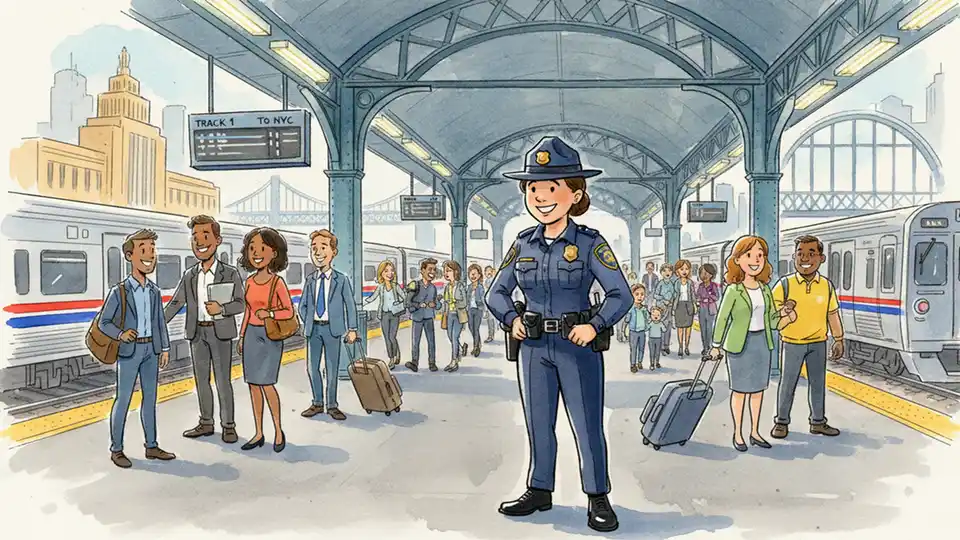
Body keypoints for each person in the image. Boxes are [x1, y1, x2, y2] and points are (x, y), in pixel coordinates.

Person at [486, 136, 630, 533]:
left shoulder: (589, 244)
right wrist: (510, 319)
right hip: (533, 346)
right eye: (533, 188)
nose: (541, 196)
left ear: (575, 193)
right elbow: (495, 291)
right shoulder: (522, 245)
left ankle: (598, 497)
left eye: (552, 187)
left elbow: (621, 294)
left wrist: (595, 325)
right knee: (538, 422)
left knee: (586, 425)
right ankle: (540, 489)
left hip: (576, 346)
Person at [708, 236, 795, 452]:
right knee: (740, 391)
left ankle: (754, 431)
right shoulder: (733, 290)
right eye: (749, 255)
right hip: (739, 345)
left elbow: (771, 321)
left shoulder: (765, 289)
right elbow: (722, 318)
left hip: (761, 344)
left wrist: (785, 317)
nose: (755, 260)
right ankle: (738, 433)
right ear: (737, 260)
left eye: (760, 256)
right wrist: (716, 344)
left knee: (757, 391)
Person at [164, 215, 245, 444]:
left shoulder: (228, 273)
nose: (199, 241)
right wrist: (156, 324)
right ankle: (206, 422)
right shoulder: (190, 275)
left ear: (217, 240)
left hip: (220, 333)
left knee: (222, 381)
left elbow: (241, 303)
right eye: (195, 237)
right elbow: (176, 303)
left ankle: (228, 425)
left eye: (205, 236)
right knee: (201, 381)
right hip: (196, 333)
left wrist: (222, 308)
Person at [100, 229, 175, 468]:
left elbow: (159, 321)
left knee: (150, 400)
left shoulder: (154, 291)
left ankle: (151, 446)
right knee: (123, 400)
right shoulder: (119, 291)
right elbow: (104, 322)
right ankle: (117, 449)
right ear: (130, 256)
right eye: (144, 251)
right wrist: (121, 334)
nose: (150, 256)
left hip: (150, 351)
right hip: (129, 352)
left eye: (153, 251)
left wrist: (164, 347)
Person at [770, 235, 844, 439]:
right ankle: (781, 422)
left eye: (811, 254)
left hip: (819, 342)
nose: (805, 258)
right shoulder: (784, 285)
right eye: (800, 254)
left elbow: (832, 313)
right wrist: (785, 312)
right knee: (788, 383)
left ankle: (818, 422)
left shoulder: (826, 286)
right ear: (793, 257)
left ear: (822, 258)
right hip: (792, 343)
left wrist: (838, 338)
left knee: (818, 384)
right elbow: (772, 315)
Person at [237, 227, 295, 452]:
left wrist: (269, 313)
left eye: (262, 248)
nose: (256, 253)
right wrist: (242, 336)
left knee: (268, 384)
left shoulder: (277, 283)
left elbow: (289, 312)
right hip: (251, 334)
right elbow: (247, 311)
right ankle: (259, 432)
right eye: (252, 248)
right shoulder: (249, 282)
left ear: (274, 253)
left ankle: (278, 430)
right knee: (253, 385)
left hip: (270, 336)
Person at [298, 230, 360, 421]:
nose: (318, 252)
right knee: (312, 368)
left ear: (333, 251)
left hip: (333, 330)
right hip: (313, 329)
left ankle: (332, 405)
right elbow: (302, 305)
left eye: (323, 247)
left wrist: (352, 329)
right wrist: (307, 319)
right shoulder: (310, 280)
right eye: (314, 248)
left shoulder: (341, 279)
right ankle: (317, 402)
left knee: (332, 369)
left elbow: (350, 305)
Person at [363, 259, 405, 369]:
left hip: (395, 314)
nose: (389, 273)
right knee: (387, 337)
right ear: (381, 273)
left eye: (391, 271)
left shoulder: (396, 286)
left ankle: (394, 355)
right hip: (384, 315)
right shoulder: (380, 287)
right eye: (386, 271)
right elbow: (373, 297)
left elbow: (404, 297)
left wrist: (399, 303)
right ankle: (392, 357)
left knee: (392, 336)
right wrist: (361, 302)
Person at [405, 258, 439, 372]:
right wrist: (420, 305)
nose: (432, 272)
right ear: (422, 270)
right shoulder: (415, 285)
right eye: (430, 269)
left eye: (434, 270)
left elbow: (437, 305)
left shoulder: (433, 288)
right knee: (416, 341)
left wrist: (435, 304)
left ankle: (432, 363)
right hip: (417, 317)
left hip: (429, 317)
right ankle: (414, 363)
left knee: (431, 341)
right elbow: (407, 302)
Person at [440, 260, 469, 372]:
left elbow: (464, 302)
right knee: (450, 337)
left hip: (458, 315)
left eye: (448, 270)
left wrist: (455, 302)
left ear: (456, 272)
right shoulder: (447, 287)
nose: (445, 273)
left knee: (454, 337)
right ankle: (461, 349)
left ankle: (454, 361)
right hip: (449, 315)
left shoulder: (460, 286)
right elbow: (445, 302)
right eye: (444, 271)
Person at [622, 284, 649, 372]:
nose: (640, 297)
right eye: (637, 294)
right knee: (633, 349)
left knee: (641, 348)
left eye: (642, 294)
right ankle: (633, 364)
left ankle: (639, 362)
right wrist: (623, 331)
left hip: (642, 332)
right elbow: (626, 321)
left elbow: (648, 319)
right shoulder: (631, 309)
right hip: (633, 332)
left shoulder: (644, 309)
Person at [696, 263, 720, 355]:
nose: (704, 275)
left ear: (711, 275)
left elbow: (716, 297)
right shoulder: (701, 286)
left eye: (706, 273)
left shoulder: (713, 285)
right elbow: (697, 296)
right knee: (703, 329)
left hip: (710, 309)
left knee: (709, 329)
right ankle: (705, 347)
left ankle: (709, 347)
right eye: (702, 273)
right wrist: (700, 299)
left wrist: (708, 298)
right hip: (702, 309)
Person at [653, 263, 677, 355]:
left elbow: (674, 294)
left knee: (668, 328)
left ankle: (666, 345)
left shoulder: (672, 284)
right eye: (665, 271)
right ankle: (661, 346)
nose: (667, 273)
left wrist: (672, 300)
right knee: (661, 327)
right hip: (661, 308)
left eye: (669, 271)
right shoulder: (660, 283)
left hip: (669, 309)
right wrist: (663, 300)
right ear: (661, 273)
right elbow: (656, 295)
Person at [466, 263, 486, 357]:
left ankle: (476, 347)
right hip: (470, 309)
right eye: (471, 274)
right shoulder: (469, 287)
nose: (473, 276)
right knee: (471, 328)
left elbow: (483, 299)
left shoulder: (481, 287)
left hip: (478, 309)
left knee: (476, 328)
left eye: (475, 274)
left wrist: (485, 310)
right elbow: (467, 298)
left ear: (479, 275)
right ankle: (478, 344)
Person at [647, 307, 665, 371]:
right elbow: (646, 328)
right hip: (651, 339)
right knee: (652, 352)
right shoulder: (651, 323)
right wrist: (648, 323)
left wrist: (663, 325)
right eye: (654, 315)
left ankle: (657, 362)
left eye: (658, 315)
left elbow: (664, 330)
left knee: (657, 352)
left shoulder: (660, 323)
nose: (656, 317)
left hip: (658, 339)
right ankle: (652, 363)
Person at [483, 265, 497, 343]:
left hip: (492, 303)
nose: (489, 272)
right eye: (487, 271)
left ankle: (491, 335)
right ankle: (490, 335)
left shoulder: (492, 280)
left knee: (491, 320)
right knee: (490, 320)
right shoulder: (486, 281)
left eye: (490, 271)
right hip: (488, 303)